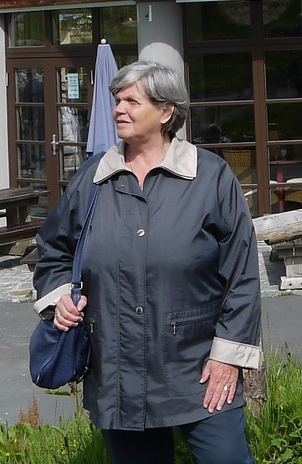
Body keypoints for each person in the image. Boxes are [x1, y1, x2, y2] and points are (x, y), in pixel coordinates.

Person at [35, 60, 262, 464]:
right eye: (117, 100)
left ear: (165, 112)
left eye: (131, 101)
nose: (119, 109)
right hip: (116, 369)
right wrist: (59, 301)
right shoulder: (92, 179)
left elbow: (242, 275)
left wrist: (228, 356)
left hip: (198, 367)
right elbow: (53, 251)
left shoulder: (210, 178)